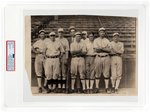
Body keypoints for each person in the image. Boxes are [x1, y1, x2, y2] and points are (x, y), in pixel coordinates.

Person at [93, 27, 111, 94]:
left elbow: (109, 50)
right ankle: (97, 88)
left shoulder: (107, 40)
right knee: (97, 73)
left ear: (104, 33)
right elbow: (95, 50)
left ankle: (107, 88)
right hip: (98, 57)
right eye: (101, 32)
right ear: (99, 33)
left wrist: (101, 48)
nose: (102, 33)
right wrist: (104, 48)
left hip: (106, 57)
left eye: (103, 32)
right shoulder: (96, 40)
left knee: (106, 73)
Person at [56, 28, 69, 93]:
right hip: (57, 56)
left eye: (61, 32)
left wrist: (66, 58)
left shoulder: (65, 40)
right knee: (58, 72)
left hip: (63, 56)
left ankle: (63, 87)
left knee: (63, 73)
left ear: (63, 33)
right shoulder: (55, 39)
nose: (60, 33)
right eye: (59, 32)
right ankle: (59, 87)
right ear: (57, 33)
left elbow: (67, 50)